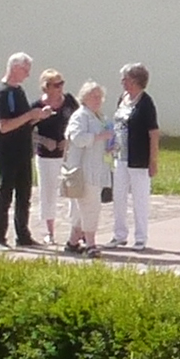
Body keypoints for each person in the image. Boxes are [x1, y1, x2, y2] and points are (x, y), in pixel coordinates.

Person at [0, 54, 47, 251]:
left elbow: (22, 122)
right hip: (7, 152)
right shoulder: (2, 93)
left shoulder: (19, 91)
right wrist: (30, 114)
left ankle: (23, 235)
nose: (28, 74)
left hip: (23, 150)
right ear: (14, 68)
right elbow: (4, 126)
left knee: (24, 193)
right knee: (5, 193)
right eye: (25, 69)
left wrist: (37, 117)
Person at [59, 75, 114, 255]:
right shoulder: (80, 116)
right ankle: (90, 244)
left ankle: (73, 242)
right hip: (83, 171)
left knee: (82, 209)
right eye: (94, 96)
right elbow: (77, 138)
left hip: (96, 169)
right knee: (90, 207)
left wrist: (109, 144)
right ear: (84, 98)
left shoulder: (98, 116)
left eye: (100, 97)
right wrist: (99, 137)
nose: (98, 100)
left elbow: (102, 141)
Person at [111, 66, 160, 253]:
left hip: (139, 158)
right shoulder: (122, 99)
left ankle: (140, 237)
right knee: (119, 197)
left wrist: (153, 160)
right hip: (120, 157)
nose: (122, 82)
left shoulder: (146, 103)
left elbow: (153, 133)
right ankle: (119, 235)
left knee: (139, 199)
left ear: (135, 80)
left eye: (125, 78)